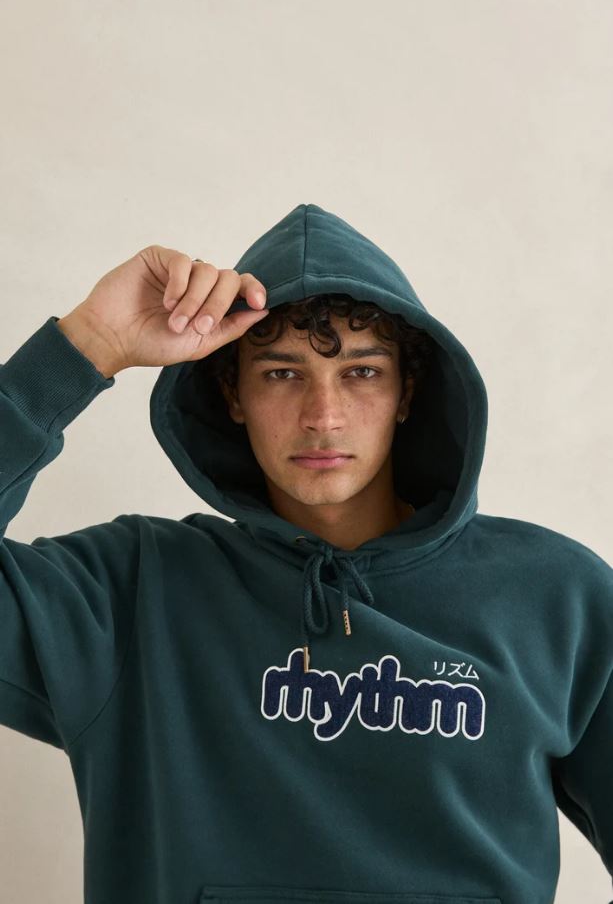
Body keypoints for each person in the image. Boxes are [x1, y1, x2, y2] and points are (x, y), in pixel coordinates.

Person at [0, 203, 611, 904]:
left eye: (361, 372)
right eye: (281, 374)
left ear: (407, 391)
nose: (323, 416)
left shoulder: (555, 598)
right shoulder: (128, 592)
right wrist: (89, 343)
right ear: (232, 394)